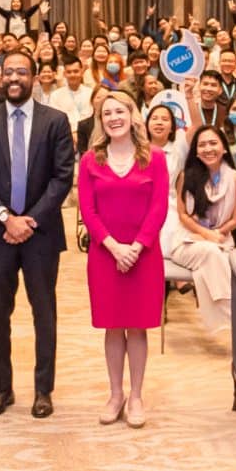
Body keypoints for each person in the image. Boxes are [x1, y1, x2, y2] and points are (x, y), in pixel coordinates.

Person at [0, 48, 74, 419]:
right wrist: (4, 217)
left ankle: (43, 389)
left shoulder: (55, 121)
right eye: (7, 71)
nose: (14, 78)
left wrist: (28, 220)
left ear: (35, 76)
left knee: (44, 312)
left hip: (41, 234)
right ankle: (2, 388)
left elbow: (62, 178)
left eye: (21, 72)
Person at [76, 91, 167, 426]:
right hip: (105, 255)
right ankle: (116, 394)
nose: (114, 118)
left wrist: (136, 247)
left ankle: (137, 396)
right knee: (113, 328)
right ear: (101, 121)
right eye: (106, 113)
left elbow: (159, 207)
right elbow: (88, 209)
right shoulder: (90, 161)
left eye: (120, 111)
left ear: (132, 115)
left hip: (144, 255)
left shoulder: (154, 158)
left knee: (138, 328)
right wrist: (114, 247)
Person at [166, 124, 236, 340]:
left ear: (224, 148)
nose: (208, 148)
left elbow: (235, 219)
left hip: (223, 239)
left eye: (213, 143)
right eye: (202, 145)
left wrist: (218, 232)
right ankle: (233, 311)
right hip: (187, 241)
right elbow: (182, 215)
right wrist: (207, 235)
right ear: (196, 151)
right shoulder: (186, 176)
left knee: (220, 254)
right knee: (212, 253)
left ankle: (229, 316)